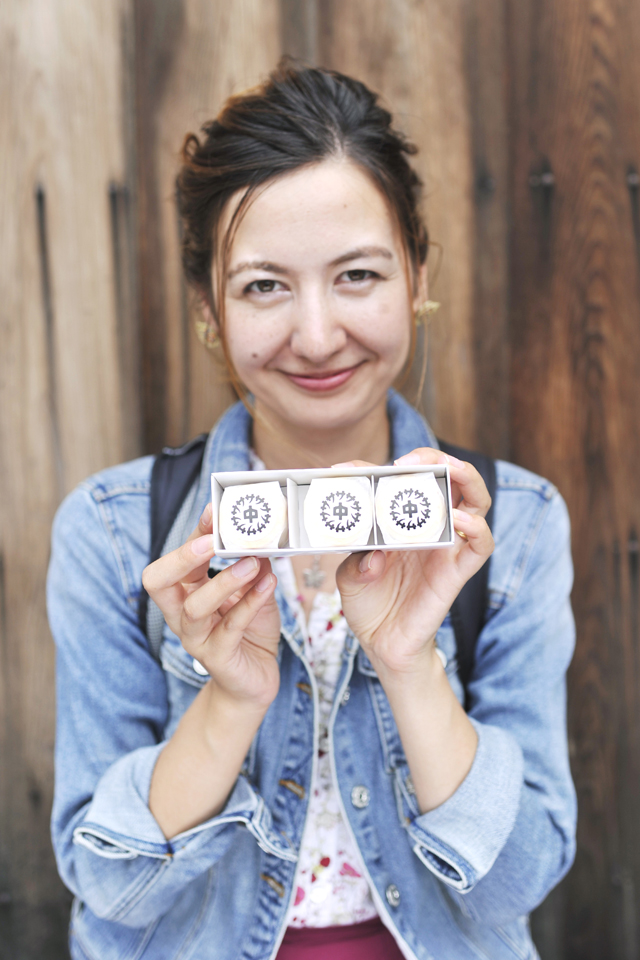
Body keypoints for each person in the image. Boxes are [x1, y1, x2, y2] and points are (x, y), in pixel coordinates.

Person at [48, 63, 576, 960]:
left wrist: (410, 666)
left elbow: (519, 881)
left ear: (417, 274)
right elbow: (108, 885)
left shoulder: (513, 526)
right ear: (209, 310)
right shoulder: (111, 533)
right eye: (264, 286)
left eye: (359, 274)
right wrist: (230, 700)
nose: (320, 334)